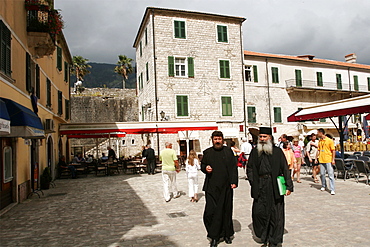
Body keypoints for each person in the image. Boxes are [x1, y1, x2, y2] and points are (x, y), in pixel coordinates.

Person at [247, 127, 293, 247]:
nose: (262, 139)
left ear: (270, 138)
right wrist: (253, 181)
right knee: (259, 212)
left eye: (264, 137)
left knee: (275, 214)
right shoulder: (254, 151)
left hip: (274, 186)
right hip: (260, 186)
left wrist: (288, 186)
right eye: (260, 137)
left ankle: (274, 240)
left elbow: (285, 168)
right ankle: (264, 236)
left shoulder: (277, 152)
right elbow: (250, 168)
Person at [201, 131, 238, 247]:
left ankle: (227, 234)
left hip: (226, 187)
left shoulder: (228, 152)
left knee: (226, 212)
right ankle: (214, 236)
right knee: (210, 212)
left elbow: (233, 167)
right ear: (212, 140)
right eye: (215, 139)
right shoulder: (207, 153)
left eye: (219, 139)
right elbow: (202, 165)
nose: (217, 141)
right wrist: (205, 168)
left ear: (223, 140)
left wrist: (234, 181)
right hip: (211, 187)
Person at [317, 128, 336, 195]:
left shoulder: (329, 141)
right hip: (321, 159)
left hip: (328, 159)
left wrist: (333, 159)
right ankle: (323, 185)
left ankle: (332, 189)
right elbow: (319, 150)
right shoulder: (320, 141)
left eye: (318, 133)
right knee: (322, 174)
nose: (317, 134)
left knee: (330, 175)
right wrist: (317, 157)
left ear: (321, 133)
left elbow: (333, 150)